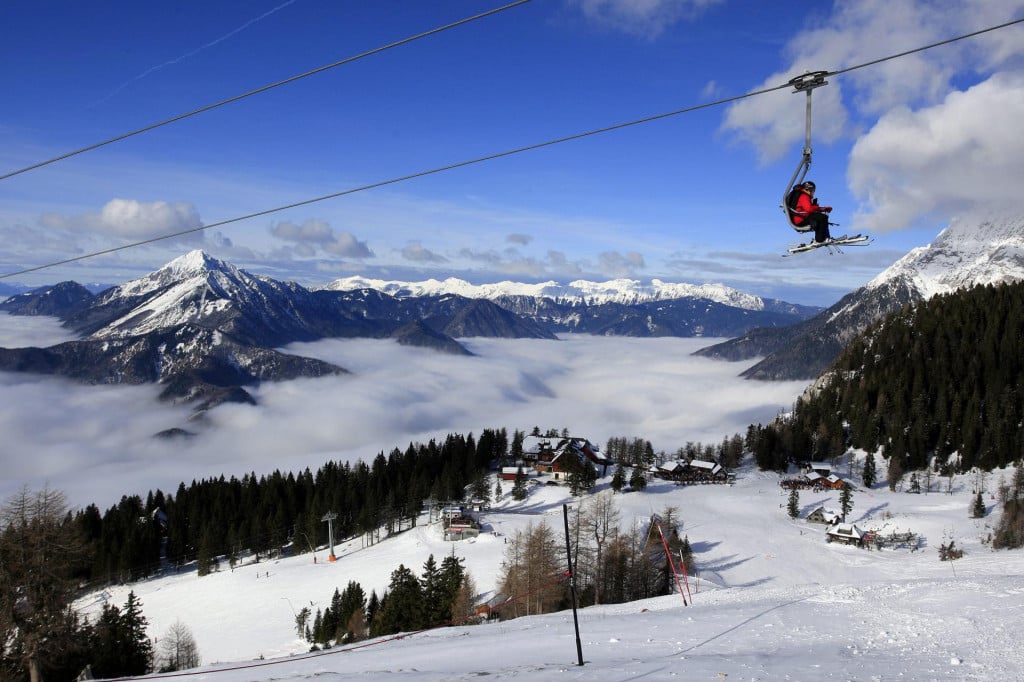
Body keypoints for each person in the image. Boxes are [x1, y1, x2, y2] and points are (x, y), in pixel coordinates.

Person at [789, 180, 832, 244]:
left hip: (801, 217)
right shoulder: (804, 196)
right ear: (809, 189)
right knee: (823, 217)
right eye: (813, 191)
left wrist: (821, 209)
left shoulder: (802, 195)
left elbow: (808, 209)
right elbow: (809, 209)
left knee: (820, 217)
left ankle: (822, 238)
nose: (813, 193)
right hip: (800, 219)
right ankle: (820, 239)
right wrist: (822, 208)